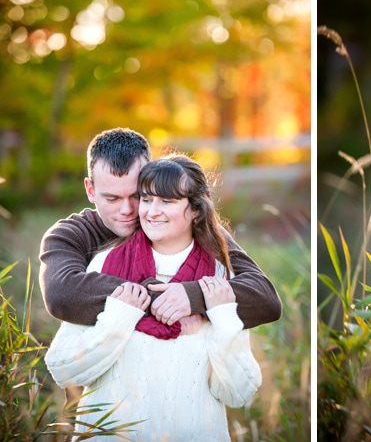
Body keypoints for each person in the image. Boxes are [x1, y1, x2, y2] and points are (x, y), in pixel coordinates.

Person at [45, 154, 262, 440]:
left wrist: (220, 317)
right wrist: (120, 315)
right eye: (146, 199)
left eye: (167, 201)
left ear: (196, 210)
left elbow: (237, 393)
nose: (150, 211)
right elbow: (63, 370)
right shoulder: (103, 264)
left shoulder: (219, 278)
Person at [39, 128, 281, 331]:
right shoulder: (69, 235)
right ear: (90, 190)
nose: (127, 210)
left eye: (137, 196)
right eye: (112, 198)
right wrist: (167, 301)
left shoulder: (184, 225)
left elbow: (264, 298)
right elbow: (62, 295)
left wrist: (191, 295)